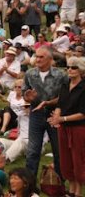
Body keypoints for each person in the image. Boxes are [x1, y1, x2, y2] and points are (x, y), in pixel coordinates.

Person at [23, 46, 68, 178]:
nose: (38, 59)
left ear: (50, 59)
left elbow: (67, 96)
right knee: (32, 151)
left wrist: (49, 103)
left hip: (54, 114)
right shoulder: (30, 73)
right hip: (36, 113)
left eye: (41, 57)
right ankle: (29, 184)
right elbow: (25, 92)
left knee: (58, 150)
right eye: (37, 56)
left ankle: (60, 183)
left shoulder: (61, 75)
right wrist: (27, 96)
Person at [47, 56, 85, 197]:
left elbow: (82, 113)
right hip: (63, 128)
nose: (70, 69)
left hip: (79, 129)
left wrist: (61, 118)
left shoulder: (84, 87)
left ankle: (78, 192)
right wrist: (56, 117)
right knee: (65, 160)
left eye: (74, 67)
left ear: (81, 70)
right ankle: (71, 189)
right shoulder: (65, 85)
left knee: (78, 159)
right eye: (68, 67)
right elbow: (60, 104)